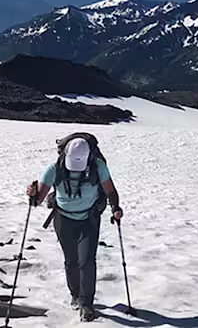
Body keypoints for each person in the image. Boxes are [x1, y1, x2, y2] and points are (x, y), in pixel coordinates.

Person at [27, 135, 123, 322]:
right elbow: (37, 200)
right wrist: (32, 194)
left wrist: (115, 208)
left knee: (86, 261)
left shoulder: (97, 167)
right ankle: (76, 295)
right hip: (63, 220)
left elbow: (110, 191)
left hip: (89, 219)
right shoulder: (54, 170)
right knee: (71, 261)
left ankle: (87, 304)